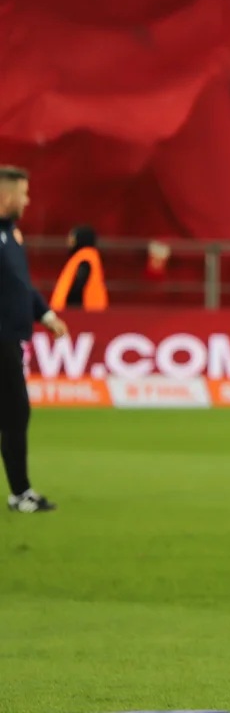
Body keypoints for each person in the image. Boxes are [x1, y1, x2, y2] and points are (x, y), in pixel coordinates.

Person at [0, 166, 69, 512]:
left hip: (9, 339)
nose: (27, 201)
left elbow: (20, 283)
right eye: (23, 194)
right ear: (6, 196)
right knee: (15, 413)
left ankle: (20, 492)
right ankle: (20, 493)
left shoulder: (11, 234)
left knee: (14, 413)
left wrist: (45, 315)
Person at [50, 225, 108, 311]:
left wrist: (69, 308)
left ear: (80, 239)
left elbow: (78, 286)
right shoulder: (84, 257)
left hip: (85, 313)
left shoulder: (85, 259)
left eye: (72, 237)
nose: (68, 240)